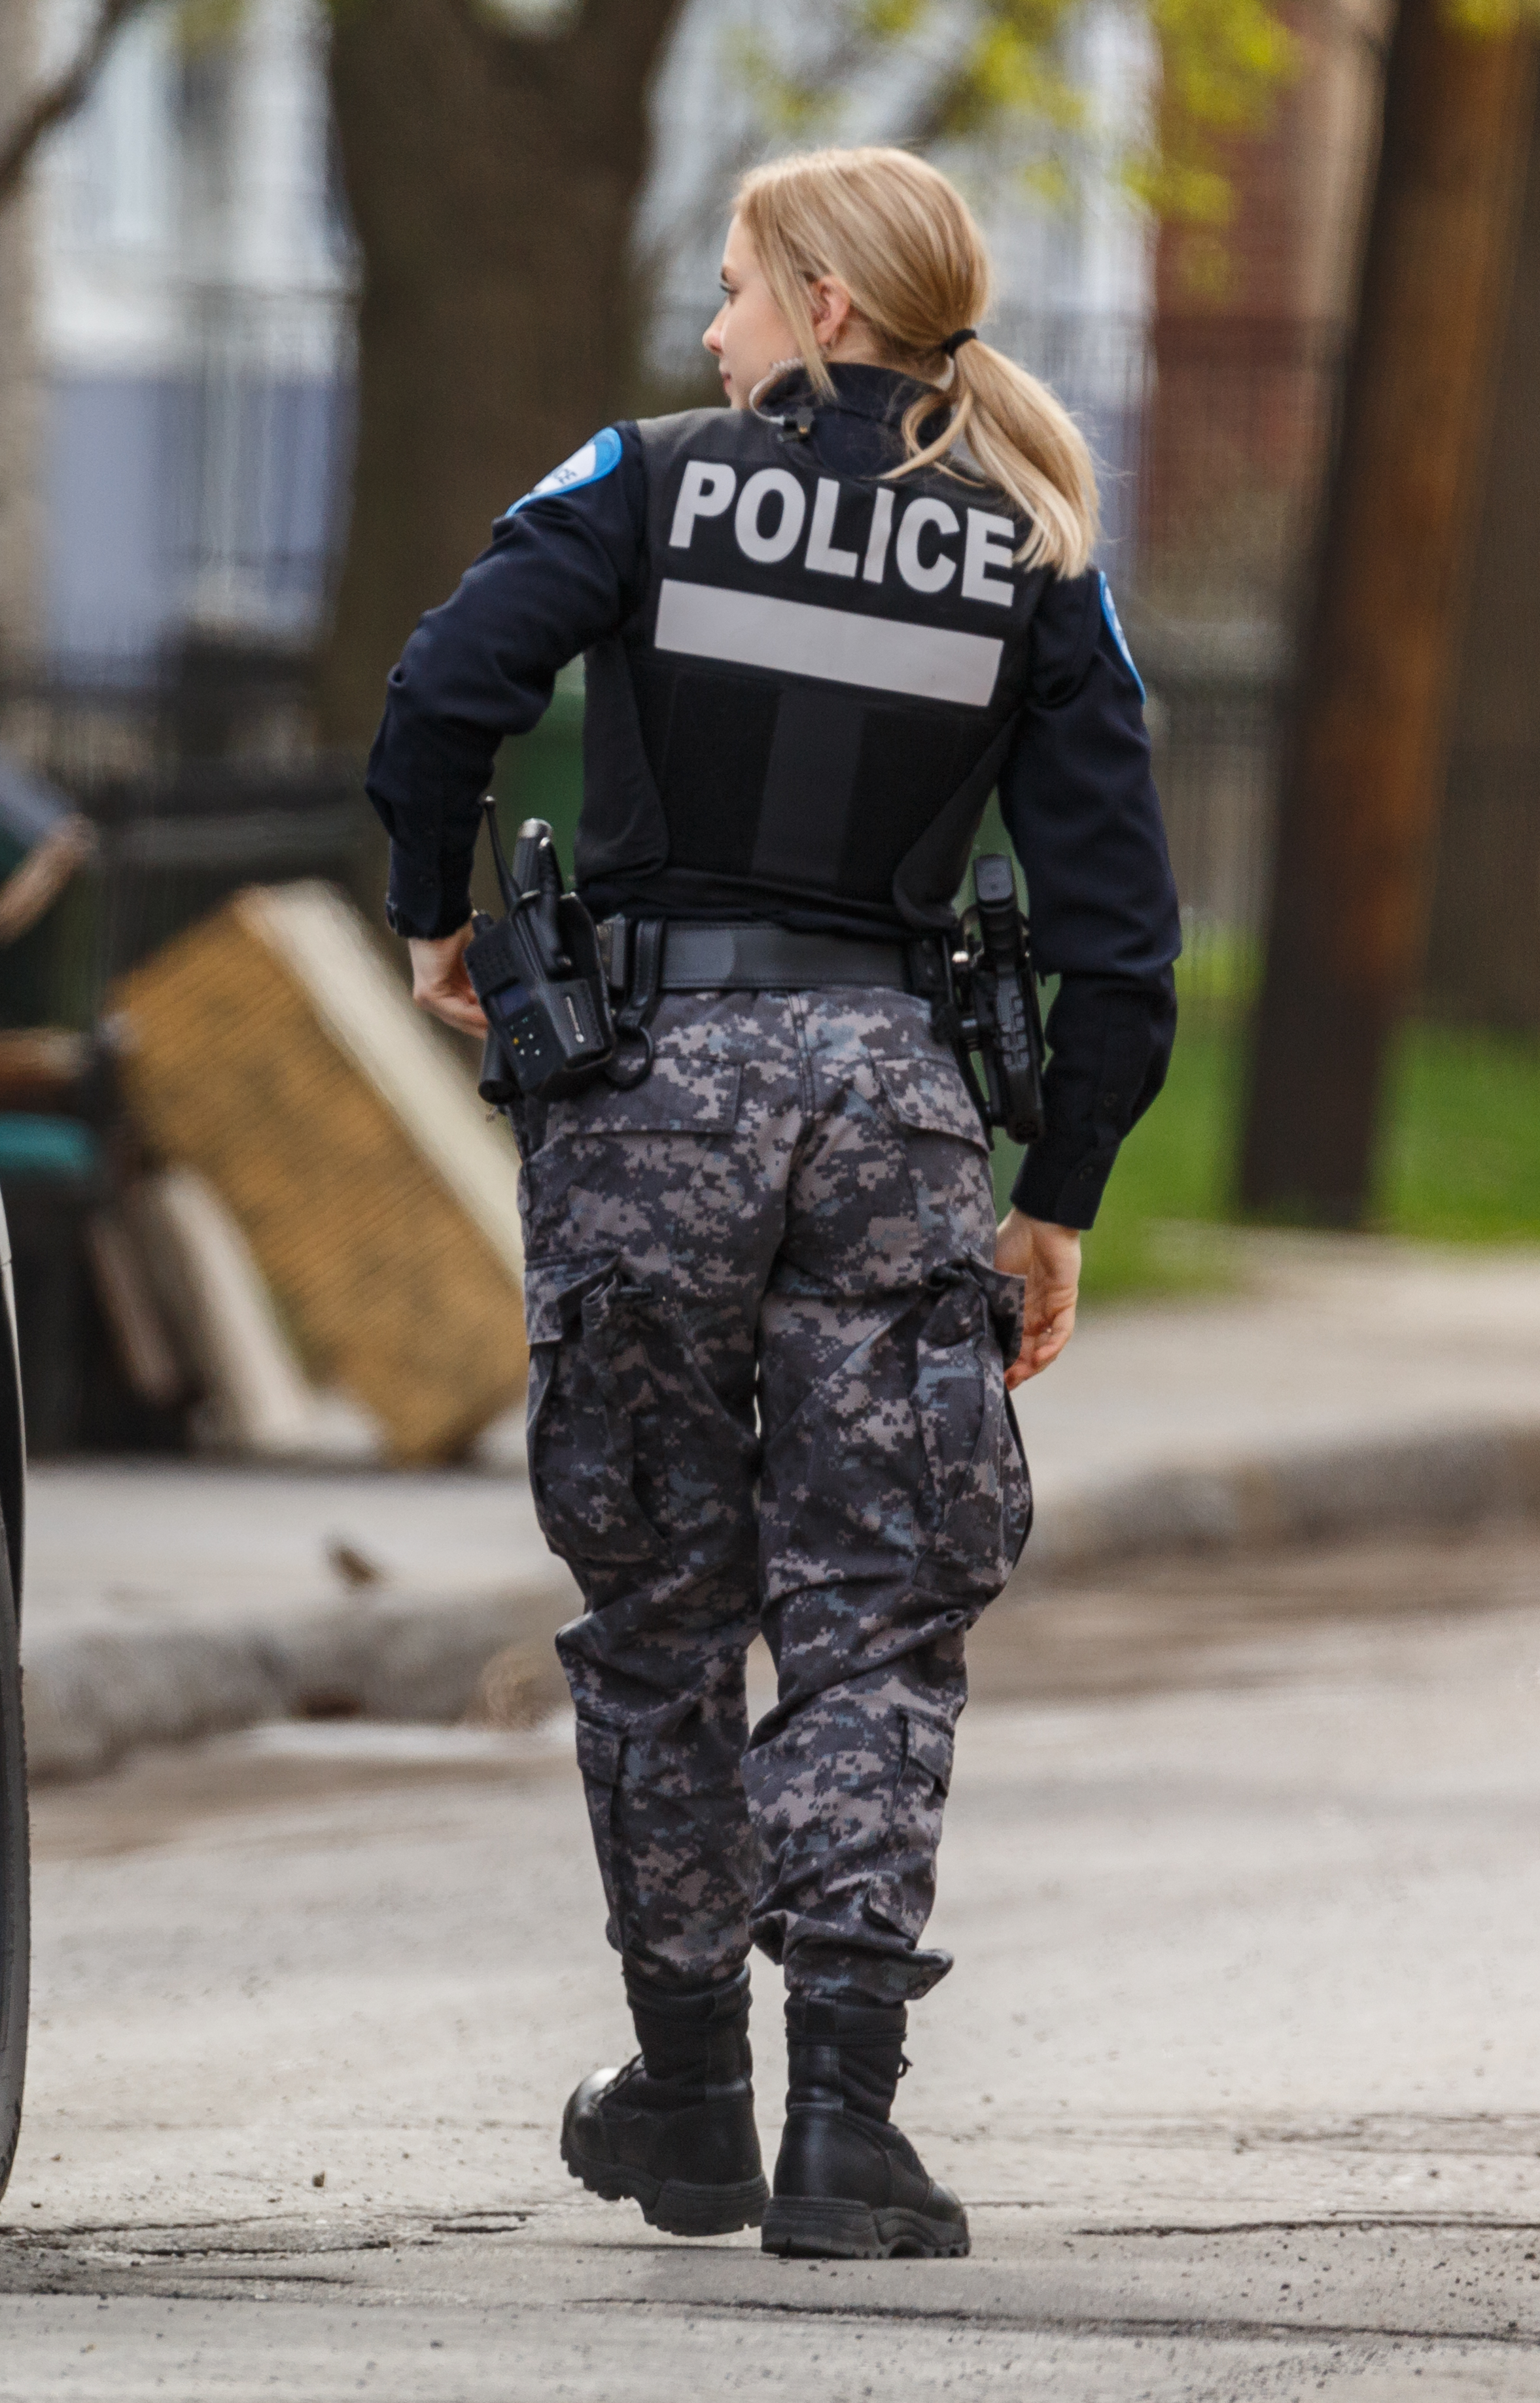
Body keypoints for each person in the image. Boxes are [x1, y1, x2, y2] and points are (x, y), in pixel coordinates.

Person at [364, 146, 1178, 2260]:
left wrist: (430, 921)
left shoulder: (645, 479)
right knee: (874, 1604)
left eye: (734, 289)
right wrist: (1058, 1188)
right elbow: (1124, 932)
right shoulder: (1037, 551)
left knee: (655, 1606)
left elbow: (442, 694)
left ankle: (689, 2096)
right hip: (897, 1112)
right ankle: (846, 2120)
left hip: (648, 1103)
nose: (712, 331)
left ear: (821, 302)